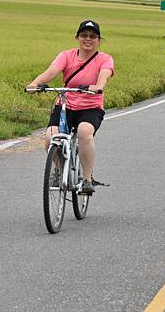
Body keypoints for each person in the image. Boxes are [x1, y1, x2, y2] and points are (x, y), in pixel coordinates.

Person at [26, 20, 114, 195]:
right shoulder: (66, 55)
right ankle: (59, 171)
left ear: (98, 40)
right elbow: (52, 71)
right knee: (51, 136)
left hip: (90, 107)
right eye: (84, 36)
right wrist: (36, 84)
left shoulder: (105, 59)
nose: (88, 39)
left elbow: (105, 75)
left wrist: (98, 86)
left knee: (84, 132)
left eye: (92, 36)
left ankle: (87, 180)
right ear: (77, 38)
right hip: (65, 104)